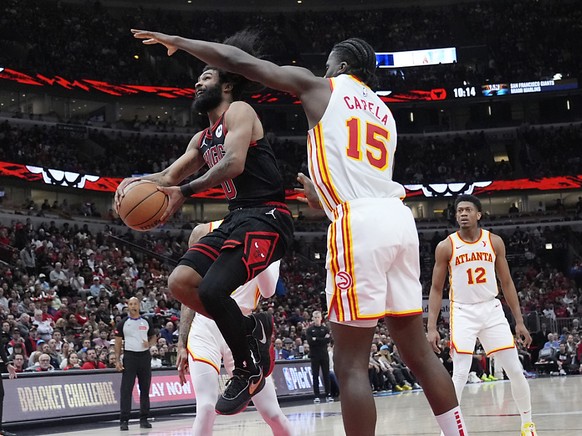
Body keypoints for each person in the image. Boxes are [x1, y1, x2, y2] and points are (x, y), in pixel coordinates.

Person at [131, 28, 467, 436]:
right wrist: (322, 196)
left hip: (354, 222)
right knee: (418, 354)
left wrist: (179, 42)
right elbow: (363, 176)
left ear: (341, 67)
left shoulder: (319, 87)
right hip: (398, 220)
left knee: (350, 364)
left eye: (328, 63)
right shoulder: (384, 112)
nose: (321, 69)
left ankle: (250, 351)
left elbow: (239, 62)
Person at [121, 31, 294, 416]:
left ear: (227, 83)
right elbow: (166, 177)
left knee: (214, 289)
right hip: (238, 219)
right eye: (198, 77)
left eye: (207, 76)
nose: (198, 82)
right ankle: (252, 329)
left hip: (268, 217)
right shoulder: (202, 137)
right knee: (180, 282)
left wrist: (185, 191)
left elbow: (233, 163)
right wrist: (134, 184)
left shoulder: (240, 111)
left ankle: (247, 367)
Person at [427, 194, 537, 436]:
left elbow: (506, 282)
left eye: (467, 210)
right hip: (463, 311)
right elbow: (436, 288)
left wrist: (519, 321)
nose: (463, 214)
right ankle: (452, 431)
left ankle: (528, 424)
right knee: (460, 373)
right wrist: (431, 327)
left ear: (478, 214)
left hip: (491, 308)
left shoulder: (494, 241)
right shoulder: (446, 246)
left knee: (515, 370)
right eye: (459, 211)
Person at [176, 221, 291, 436]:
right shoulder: (204, 231)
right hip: (205, 326)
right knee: (206, 407)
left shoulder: (273, 241)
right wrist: (181, 343)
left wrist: (258, 248)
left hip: (240, 327)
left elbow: (267, 291)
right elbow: (188, 288)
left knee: (272, 413)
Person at [114, 297, 157, 431]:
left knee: (145, 388)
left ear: (139, 305)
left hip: (144, 356)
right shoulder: (123, 323)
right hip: (129, 356)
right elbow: (118, 342)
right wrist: (117, 359)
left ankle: (144, 418)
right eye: (131, 304)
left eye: (135, 304)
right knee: (126, 389)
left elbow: (154, 337)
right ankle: (124, 420)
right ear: (127, 306)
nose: (133, 306)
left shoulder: (146, 321)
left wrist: (149, 344)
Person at [306, 310, 332, 403]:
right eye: (315, 317)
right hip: (314, 355)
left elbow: (328, 340)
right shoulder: (309, 330)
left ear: (321, 318)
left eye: (318, 317)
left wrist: (316, 339)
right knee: (315, 375)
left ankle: (328, 394)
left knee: (326, 375)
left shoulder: (325, 329)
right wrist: (322, 339)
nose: (317, 319)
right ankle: (316, 395)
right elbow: (310, 342)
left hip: (324, 355)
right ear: (313, 318)